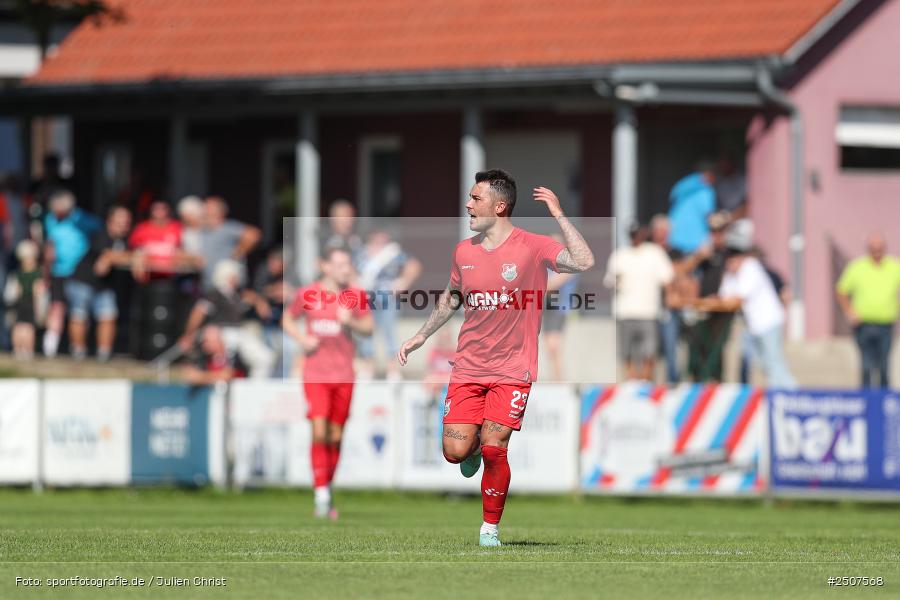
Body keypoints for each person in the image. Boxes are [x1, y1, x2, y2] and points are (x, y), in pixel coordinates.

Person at [397, 169, 594, 547]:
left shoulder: (533, 246)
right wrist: (421, 335)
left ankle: (490, 530)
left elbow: (583, 261)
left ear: (499, 206)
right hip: (468, 367)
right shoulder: (463, 251)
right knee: (456, 451)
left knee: (494, 445)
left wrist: (558, 214)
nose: (468, 204)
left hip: (513, 368)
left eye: (476, 198)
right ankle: (467, 454)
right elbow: (452, 296)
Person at [282, 246, 374, 519]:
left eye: (347, 264)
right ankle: (320, 494)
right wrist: (301, 340)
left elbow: (369, 328)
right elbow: (287, 318)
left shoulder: (355, 295)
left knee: (335, 436)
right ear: (324, 266)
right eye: (339, 264)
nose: (344, 269)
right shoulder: (308, 294)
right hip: (315, 374)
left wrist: (352, 324)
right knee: (319, 429)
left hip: (344, 374)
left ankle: (327, 486)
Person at [700, 220, 796, 389]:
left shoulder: (751, 268)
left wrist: (717, 301)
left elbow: (737, 299)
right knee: (763, 364)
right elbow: (724, 297)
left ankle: (791, 395)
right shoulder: (731, 274)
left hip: (768, 322)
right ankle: (781, 394)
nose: (730, 262)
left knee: (773, 362)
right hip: (753, 326)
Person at [179, 259, 275, 378]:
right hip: (222, 334)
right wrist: (189, 334)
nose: (238, 278)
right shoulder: (214, 294)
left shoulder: (235, 295)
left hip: (239, 333)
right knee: (228, 363)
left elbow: (251, 296)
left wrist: (259, 302)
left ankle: (255, 388)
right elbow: (198, 313)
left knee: (265, 358)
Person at [604, 222, 674, 381]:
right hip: (625, 312)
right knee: (626, 354)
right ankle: (631, 383)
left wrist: (668, 302)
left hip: (648, 313)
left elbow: (667, 279)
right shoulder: (620, 255)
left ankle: (645, 383)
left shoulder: (655, 253)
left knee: (649, 353)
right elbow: (609, 281)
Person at [65, 206, 133, 361]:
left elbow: (116, 259)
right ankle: (78, 351)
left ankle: (104, 354)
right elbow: (106, 257)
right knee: (79, 315)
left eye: (126, 223)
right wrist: (128, 258)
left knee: (108, 316)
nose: (123, 226)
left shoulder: (124, 241)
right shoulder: (100, 234)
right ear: (110, 222)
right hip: (82, 281)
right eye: (119, 222)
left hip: (105, 285)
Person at [355, 227, 422, 381]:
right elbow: (352, 269)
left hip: (388, 298)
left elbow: (414, 265)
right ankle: (368, 368)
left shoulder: (393, 252)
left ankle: (393, 369)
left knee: (390, 332)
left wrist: (403, 282)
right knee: (366, 332)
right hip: (366, 297)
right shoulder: (361, 252)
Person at [836, 233, 900, 389]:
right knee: (866, 367)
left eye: (880, 248)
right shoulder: (857, 267)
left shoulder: (894, 267)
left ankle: (883, 404)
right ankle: (866, 403)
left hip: (886, 324)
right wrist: (850, 311)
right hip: (863, 325)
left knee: (884, 367)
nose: (877, 251)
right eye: (873, 248)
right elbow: (841, 291)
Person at [42, 190, 101, 357]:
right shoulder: (50, 220)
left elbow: (100, 233)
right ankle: (50, 347)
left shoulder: (82, 219)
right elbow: (50, 247)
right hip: (58, 272)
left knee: (79, 310)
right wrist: (46, 272)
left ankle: (78, 347)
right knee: (57, 307)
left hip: (80, 272)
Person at [680, 212, 732, 382]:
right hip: (702, 309)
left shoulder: (731, 254)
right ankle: (697, 383)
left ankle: (717, 382)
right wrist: (698, 257)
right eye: (713, 231)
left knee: (717, 351)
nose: (716, 236)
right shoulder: (704, 254)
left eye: (720, 231)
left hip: (723, 311)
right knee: (698, 349)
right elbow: (682, 272)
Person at [198, 196, 261, 290]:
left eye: (208, 207)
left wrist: (239, 252)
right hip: (209, 285)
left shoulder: (228, 227)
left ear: (219, 211)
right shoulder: (203, 230)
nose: (204, 209)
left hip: (227, 285)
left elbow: (253, 234)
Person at [252, 246, 294, 377]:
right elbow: (253, 293)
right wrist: (272, 293)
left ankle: (282, 381)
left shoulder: (289, 274)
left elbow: (295, 293)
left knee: (288, 349)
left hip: (280, 325)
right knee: (270, 354)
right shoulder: (262, 272)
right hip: (262, 325)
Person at [543, 232, 579, 381]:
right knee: (549, 348)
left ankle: (559, 380)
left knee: (554, 347)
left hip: (559, 308)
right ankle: (556, 378)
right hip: (546, 308)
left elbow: (551, 285)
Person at [667, 161, 716, 255]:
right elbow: (709, 217)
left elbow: (672, 198)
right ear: (708, 174)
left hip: (674, 237)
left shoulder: (684, 184)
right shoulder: (706, 191)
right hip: (694, 242)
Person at [7, 240, 44, 360]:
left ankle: (28, 350)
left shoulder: (38, 274)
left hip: (32, 304)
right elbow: (11, 292)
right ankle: (18, 349)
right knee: (18, 328)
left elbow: (40, 291)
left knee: (29, 328)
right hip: (20, 303)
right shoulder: (17, 274)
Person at [181, 325, 247, 385]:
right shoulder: (204, 358)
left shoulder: (232, 354)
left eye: (207, 341)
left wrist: (201, 377)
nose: (204, 345)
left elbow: (227, 375)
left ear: (217, 341)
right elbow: (191, 375)